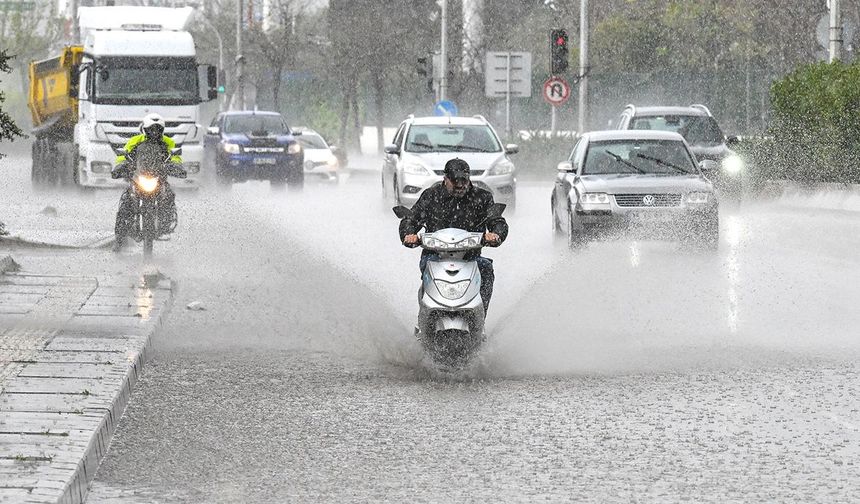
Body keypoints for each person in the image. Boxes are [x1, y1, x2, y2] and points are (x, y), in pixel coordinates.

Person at [399, 158, 509, 314]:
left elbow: (496, 220)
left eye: (463, 180)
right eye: (455, 180)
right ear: (445, 179)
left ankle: (480, 314)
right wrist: (408, 234)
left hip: (470, 258)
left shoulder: (482, 197)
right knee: (427, 265)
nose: (460, 185)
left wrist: (496, 233)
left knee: (486, 268)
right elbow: (411, 218)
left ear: (469, 178)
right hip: (434, 255)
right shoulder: (431, 196)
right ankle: (426, 313)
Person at [111, 113, 182, 251]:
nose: (154, 132)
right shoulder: (135, 141)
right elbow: (123, 155)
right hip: (139, 178)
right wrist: (122, 165)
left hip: (158, 179)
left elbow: (175, 157)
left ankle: (165, 223)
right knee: (125, 202)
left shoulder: (168, 142)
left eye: (157, 129)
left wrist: (176, 166)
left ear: (162, 130)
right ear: (145, 129)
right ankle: (119, 239)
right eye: (151, 129)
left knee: (169, 196)